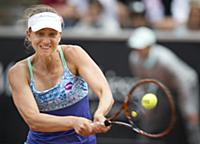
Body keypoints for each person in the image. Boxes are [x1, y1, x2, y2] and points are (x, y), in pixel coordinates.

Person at [8, 4, 114, 144]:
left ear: (60, 35)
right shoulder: (18, 72)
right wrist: (73, 122)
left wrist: (100, 113)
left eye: (52, 34)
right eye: (40, 34)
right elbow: (33, 120)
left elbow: (104, 91)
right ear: (29, 35)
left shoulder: (74, 53)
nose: (46, 41)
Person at [127, 27, 200, 144]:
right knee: (149, 116)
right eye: (136, 47)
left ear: (150, 46)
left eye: (141, 47)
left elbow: (183, 82)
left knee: (191, 118)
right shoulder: (134, 58)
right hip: (164, 87)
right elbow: (142, 82)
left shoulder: (165, 59)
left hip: (185, 85)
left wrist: (190, 109)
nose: (138, 50)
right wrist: (144, 106)